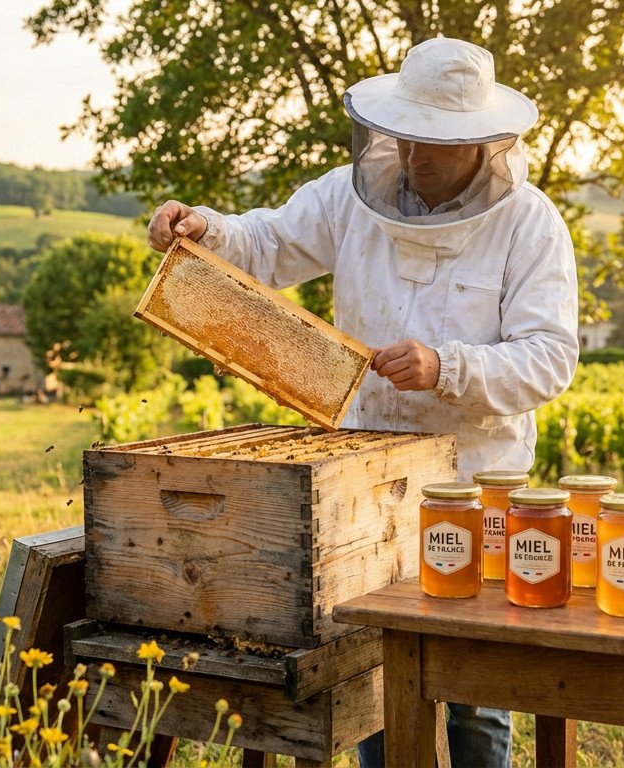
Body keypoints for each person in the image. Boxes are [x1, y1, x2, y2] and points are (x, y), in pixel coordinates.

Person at [147, 37, 578, 768]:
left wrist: (448, 366)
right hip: (367, 478)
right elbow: (267, 243)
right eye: (406, 137)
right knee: (373, 672)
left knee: (475, 686)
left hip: (477, 483)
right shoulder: (349, 197)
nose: (414, 157)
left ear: (482, 142)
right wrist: (204, 228)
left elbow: (549, 359)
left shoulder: (530, 223)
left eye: (435, 143)